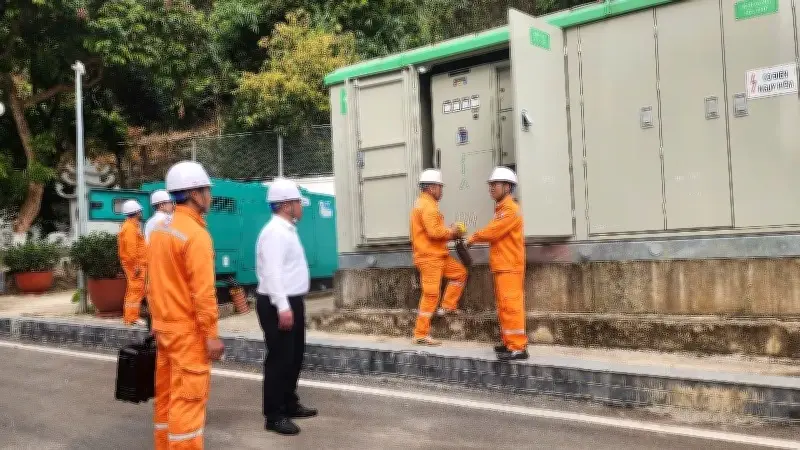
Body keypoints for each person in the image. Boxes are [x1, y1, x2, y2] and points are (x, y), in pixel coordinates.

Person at [148, 161, 224, 449]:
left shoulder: (160, 231)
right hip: (187, 334)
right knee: (188, 403)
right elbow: (203, 294)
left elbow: (154, 282)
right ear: (194, 193)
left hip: (165, 330)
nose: (210, 196)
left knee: (167, 398)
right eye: (207, 190)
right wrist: (211, 335)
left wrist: (156, 321)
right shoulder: (196, 236)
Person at [255, 177, 318, 436]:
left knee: (294, 356)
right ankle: (274, 415)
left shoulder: (287, 230)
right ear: (285, 205)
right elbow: (272, 273)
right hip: (277, 302)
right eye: (297, 203)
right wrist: (283, 306)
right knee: (280, 359)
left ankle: (289, 403)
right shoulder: (274, 233)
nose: (301, 207)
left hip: (291, 300)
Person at [466, 166, 528, 361]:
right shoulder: (502, 209)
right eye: (490, 184)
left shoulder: (510, 210)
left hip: (510, 266)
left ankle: (518, 347)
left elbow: (494, 232)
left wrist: (473, 237)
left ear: (508, 187)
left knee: (511, 306)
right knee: (504, 307)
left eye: (495, 184)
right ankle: (509, 343)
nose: (491, 188)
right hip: (503, 265)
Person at [410, 169, 467, 347]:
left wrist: (449, 232)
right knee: (431, 295)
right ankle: (420, 334)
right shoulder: (427, 206)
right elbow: (434, 232)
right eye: (440, 187)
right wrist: (452, 232)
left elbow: (434, 230)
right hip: (430, 257)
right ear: (432, 188)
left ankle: (448, 306)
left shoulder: (425, 204)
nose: (441, 190)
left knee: (459, 273)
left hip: (437, 255)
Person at [119, 199, 147, 326]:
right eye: (140, 211)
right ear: (136, 212)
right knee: (135, 290)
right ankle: (131, 317)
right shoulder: (130, 228)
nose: (141, 213)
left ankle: (131, 317)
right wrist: (136, 266)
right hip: (135, 265)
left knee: (136, 290)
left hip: (136, 264)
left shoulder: (131, 226)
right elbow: (131, 249)